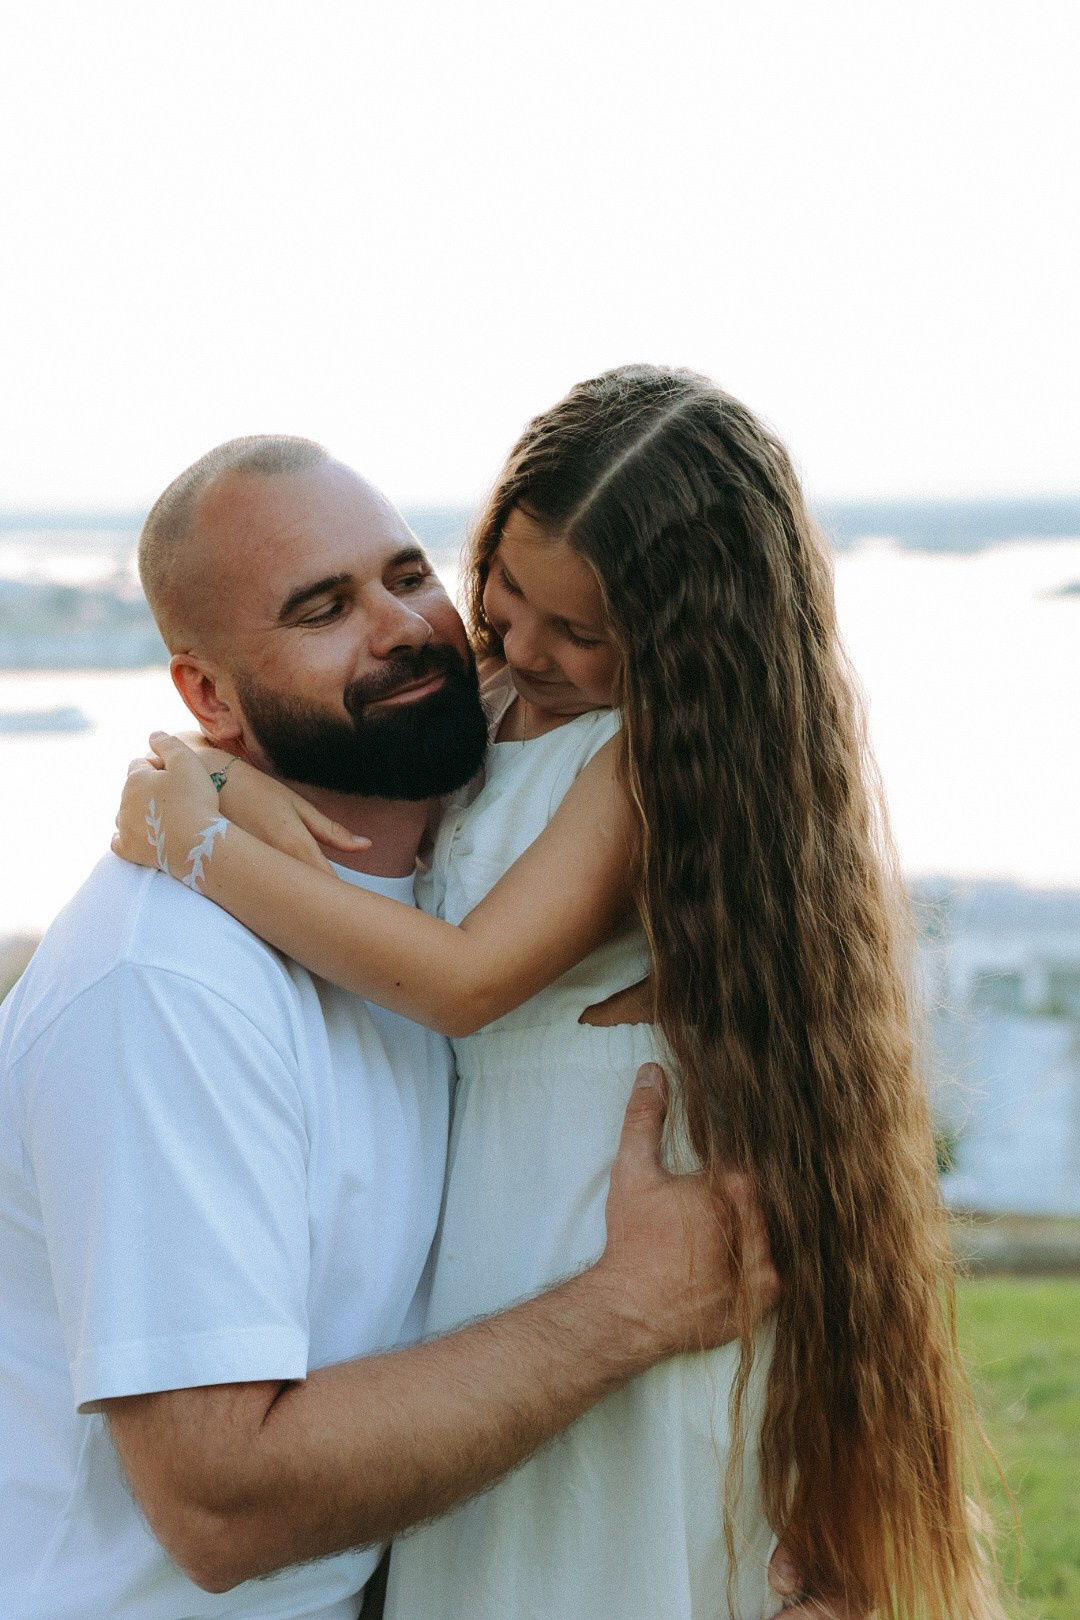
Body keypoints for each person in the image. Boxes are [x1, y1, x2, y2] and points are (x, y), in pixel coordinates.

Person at [114, 370, 1003, 1620]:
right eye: (505, 597)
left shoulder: (639, 762)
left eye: (579, 634)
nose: (526, 649)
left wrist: (202, 850)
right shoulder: (502, 703)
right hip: (502, 1263)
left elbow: (464, 980)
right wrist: (222, 787)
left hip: (600, 1214)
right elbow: (352, 793)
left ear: (685, 645)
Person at [0, 436, 786, 1620]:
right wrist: (634, 1304)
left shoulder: (439, 900)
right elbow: (225, 1505)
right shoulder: (168, 983)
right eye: (321, 609)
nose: (406, 629)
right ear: (208, 696)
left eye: (409, 576)